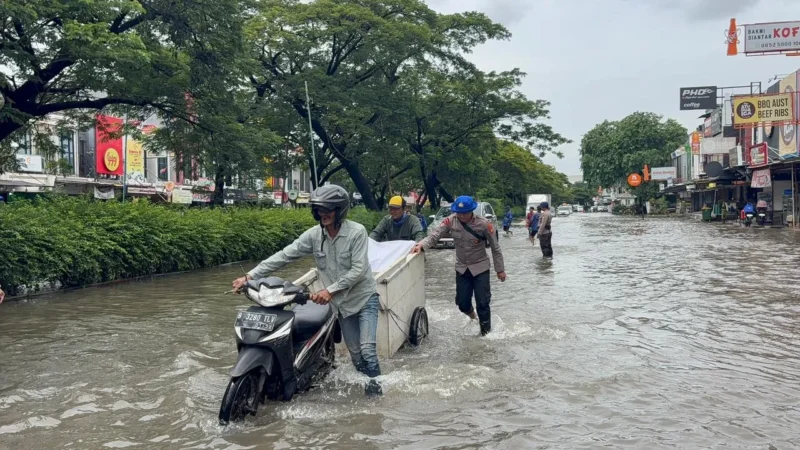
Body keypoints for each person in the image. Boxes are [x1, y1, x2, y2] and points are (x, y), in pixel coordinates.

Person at [231, 185, 383, 396]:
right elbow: (285, 255)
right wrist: (250, 276)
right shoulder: (314, 236)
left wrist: (329, 290)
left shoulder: (357, 232)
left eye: (327, 210)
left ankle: (376, 396)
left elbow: (358, 270)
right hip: (343, 305)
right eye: (319, 210)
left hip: (364, 298)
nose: (322, 214)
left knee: (367, 350)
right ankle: (367, 383)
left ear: (339, 210)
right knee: (356, 355)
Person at [411, 195, 506, 336]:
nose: (462, 216)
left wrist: (500, 270)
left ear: (472, 211)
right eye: (459, 213)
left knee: (483, 303)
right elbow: (434, 235)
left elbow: (495, 248)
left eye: (465, 213)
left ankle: (486, 334)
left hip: (480, 267)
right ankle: (473, 317)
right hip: (462, 268)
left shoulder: (484, 224)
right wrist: (421, 245)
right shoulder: (450, 221)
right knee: (462, 303)